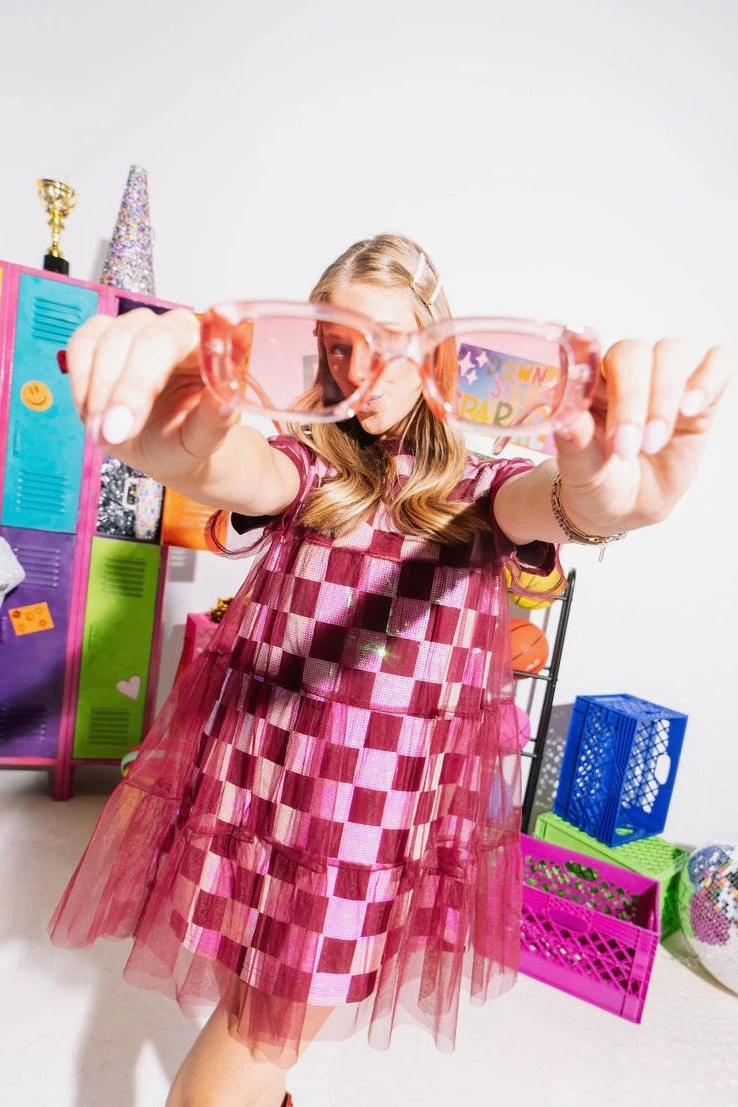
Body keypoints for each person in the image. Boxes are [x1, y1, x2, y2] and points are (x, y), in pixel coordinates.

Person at [49, 233, 735, 1107]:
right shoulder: (312, 473)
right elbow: (246, 470)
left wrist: (593, 499)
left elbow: (548, 501)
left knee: (230, 1067)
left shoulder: (481, 492)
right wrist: (186, 458)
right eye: (340, 347)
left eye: (392, 343)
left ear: (440, 349)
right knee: (254, 1011)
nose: (364, 373)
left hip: (362, 835)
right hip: (265, 792)